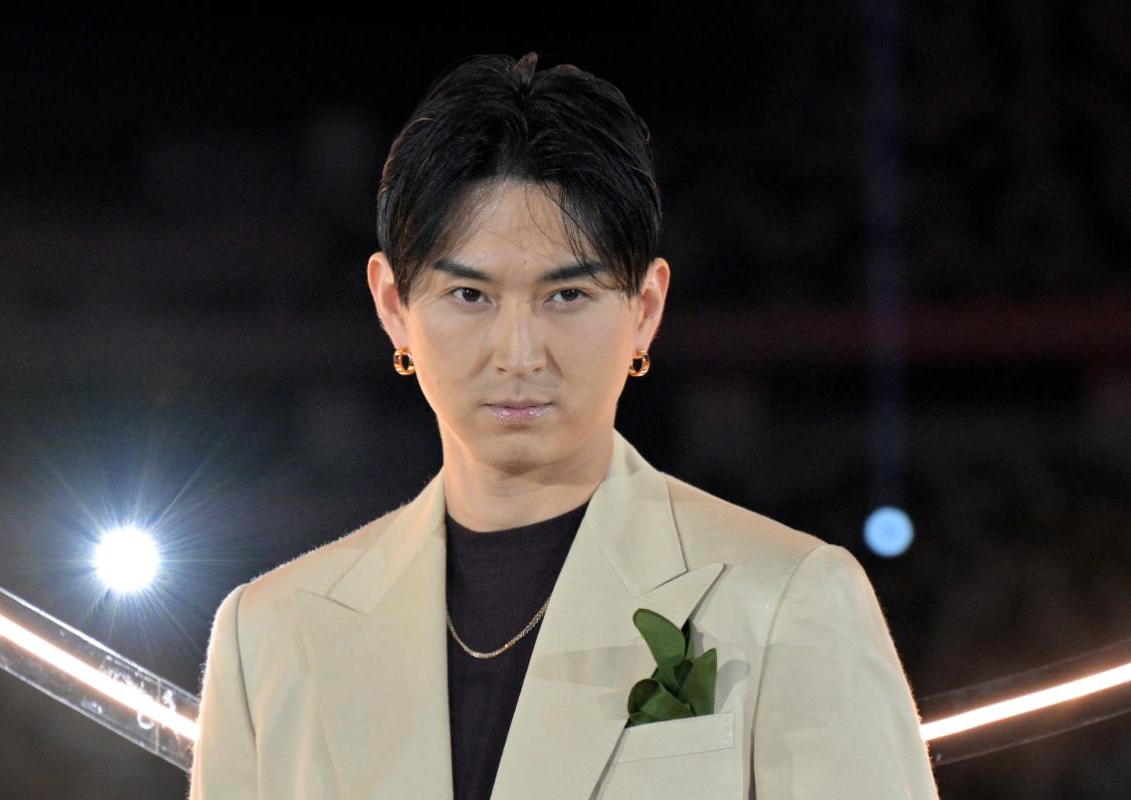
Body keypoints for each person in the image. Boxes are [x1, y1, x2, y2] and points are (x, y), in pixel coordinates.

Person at [187, 52, 941, 800]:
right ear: (393, 306)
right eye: (470, 296)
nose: (519, 355)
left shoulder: (791, 600)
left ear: (645, 309)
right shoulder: (269, 636)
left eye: (568, 296)